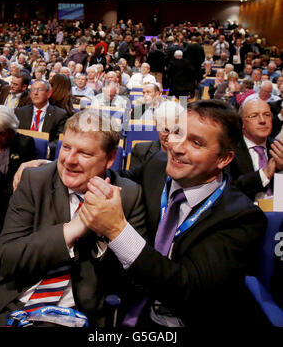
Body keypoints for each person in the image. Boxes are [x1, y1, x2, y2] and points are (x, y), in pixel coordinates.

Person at [75, 100, 267, 327]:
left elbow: (187, 287)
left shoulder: (242, 219)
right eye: (177, 133)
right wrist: (50, 169)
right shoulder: (157, 165)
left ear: (223, 159)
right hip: (137, 309)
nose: (176, 147)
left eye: (196, 142)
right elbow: (117, 179)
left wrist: (117, 230)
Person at [0, 110, 146, 328]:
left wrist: (105, 236)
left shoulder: (128, 196)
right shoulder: (34, 179)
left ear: (110, 158)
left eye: (85, 153)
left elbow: (132, 281)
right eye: (66, 147)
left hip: (76, 315)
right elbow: (6, 260)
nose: (69, 160)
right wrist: (74, 228)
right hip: (13, 305)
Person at [0, 105, 36, 246]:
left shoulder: (25, 144)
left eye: (1, 134)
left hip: (4, 200)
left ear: (12, 130)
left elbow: (22, 183)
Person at [227, 99, 283, 202]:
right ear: (242, 123)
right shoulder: (229, 150)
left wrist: (280, 171)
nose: (262, 120)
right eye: (254, 116)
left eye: (267, 115)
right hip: (244, 214)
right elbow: (227, 191)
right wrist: (264, 174)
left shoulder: (278, 148)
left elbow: (280, 198)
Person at [15, 79, 68, 159]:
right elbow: (15, 134)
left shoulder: (59, 114)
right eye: (33, 90)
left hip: (45, 156)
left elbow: (60, 139)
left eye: (40, 90)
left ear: (48, 94)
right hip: (22, 153)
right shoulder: (21, 112)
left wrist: (46, 148)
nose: (35, 93)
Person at [130, 100, 185, 168]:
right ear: (156, 125)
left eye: (176, 132)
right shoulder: (141, 151)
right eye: (165, 130)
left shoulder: (187, 156)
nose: (171, 138)